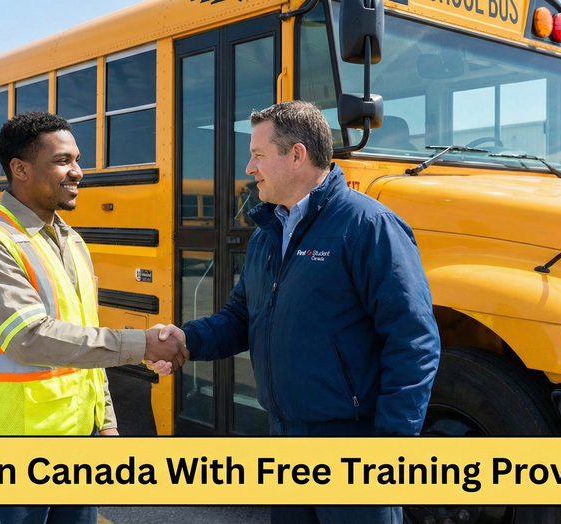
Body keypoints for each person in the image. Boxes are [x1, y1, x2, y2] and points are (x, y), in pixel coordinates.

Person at [166, 100, 441, 524]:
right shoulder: (267, 234)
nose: (248, 168)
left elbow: (414, 341)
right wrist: (187, 340)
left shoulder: (367, 226)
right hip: (286, 436)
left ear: (297, 155)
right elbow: (242, 317)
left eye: (258, 155)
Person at [0, 111, 186, 524]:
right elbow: (30, 338)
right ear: (20, 169)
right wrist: (141, 344)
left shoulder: (71, 240)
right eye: (62, 161)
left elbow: (83, 337)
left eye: (77, 159)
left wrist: (105, 423)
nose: (78, 172)